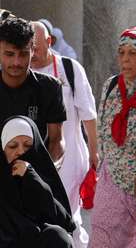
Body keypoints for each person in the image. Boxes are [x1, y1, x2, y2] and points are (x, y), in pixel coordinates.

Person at [90, 27, 136, 248]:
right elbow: (102, 126)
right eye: (121, 53)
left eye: (133, 53)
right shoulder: (112, 86)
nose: (125, 60)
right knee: (103, 237)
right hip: (112, 178)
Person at [28, 21, 96, 248]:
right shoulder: (22, 72)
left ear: (50, 42)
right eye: (28, 46)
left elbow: (88, 113)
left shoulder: (70, 69)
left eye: (36, 47)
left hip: (70, 160)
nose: (32, 53)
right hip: (32, 158)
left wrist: (95, 152)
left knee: (67, 214)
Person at [1, 116, 75, 247]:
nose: (20, 152)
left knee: (58, 236)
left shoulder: (40, 174)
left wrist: (32, 178)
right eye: (12, 146)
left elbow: (64, 222)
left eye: (28, 146)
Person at [0, 16, 65, 162]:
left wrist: (43, 175)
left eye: (23, 54)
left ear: (32, 51)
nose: (16, 62)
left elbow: (56, 141)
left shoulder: (50, 88)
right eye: (9, 54)